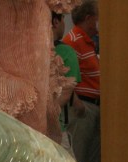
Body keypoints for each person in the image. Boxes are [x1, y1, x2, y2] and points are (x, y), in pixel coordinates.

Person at [63, 0, 101, 162]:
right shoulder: (73, 40)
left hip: (94, 106)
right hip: (83, 107)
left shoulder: (88, 41)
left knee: (93, 156)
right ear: (88, 18)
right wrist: (76, 102)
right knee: (79, 156)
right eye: (96, 18)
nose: (98, 23)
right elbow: (64, 76)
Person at [52, 12, 82, 152]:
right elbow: (65, 94)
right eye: (63, 18)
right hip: (55, 128)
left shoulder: (25, 50)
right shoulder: (66, 52)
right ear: (56, 22)